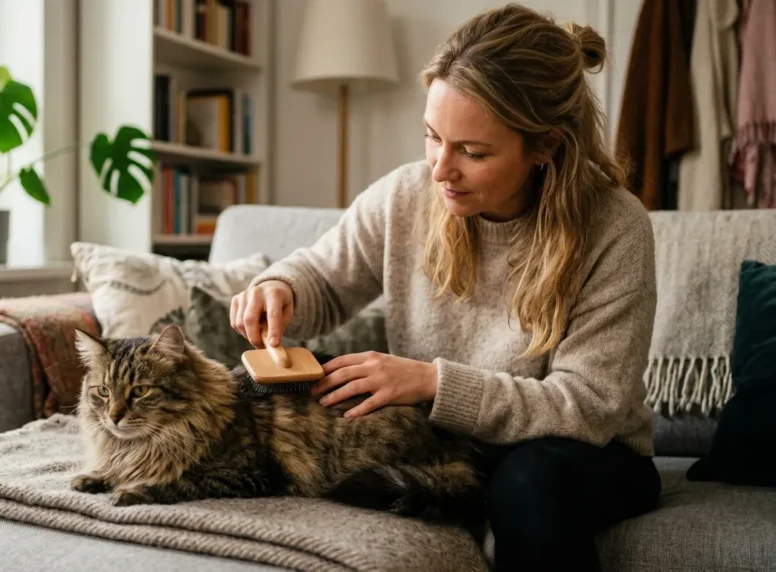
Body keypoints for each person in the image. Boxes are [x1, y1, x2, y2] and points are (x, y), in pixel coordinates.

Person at [229, 3, 662, 571]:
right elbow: (323, 277)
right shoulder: (407, 195)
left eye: (472, 152)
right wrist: (280, 285)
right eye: (433, 137)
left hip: (585, 454)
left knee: (527, 481)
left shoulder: (616, 228)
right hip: (450, 445)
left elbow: (585, 406)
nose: (439, 169)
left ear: (546, 147)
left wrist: (433, 383)